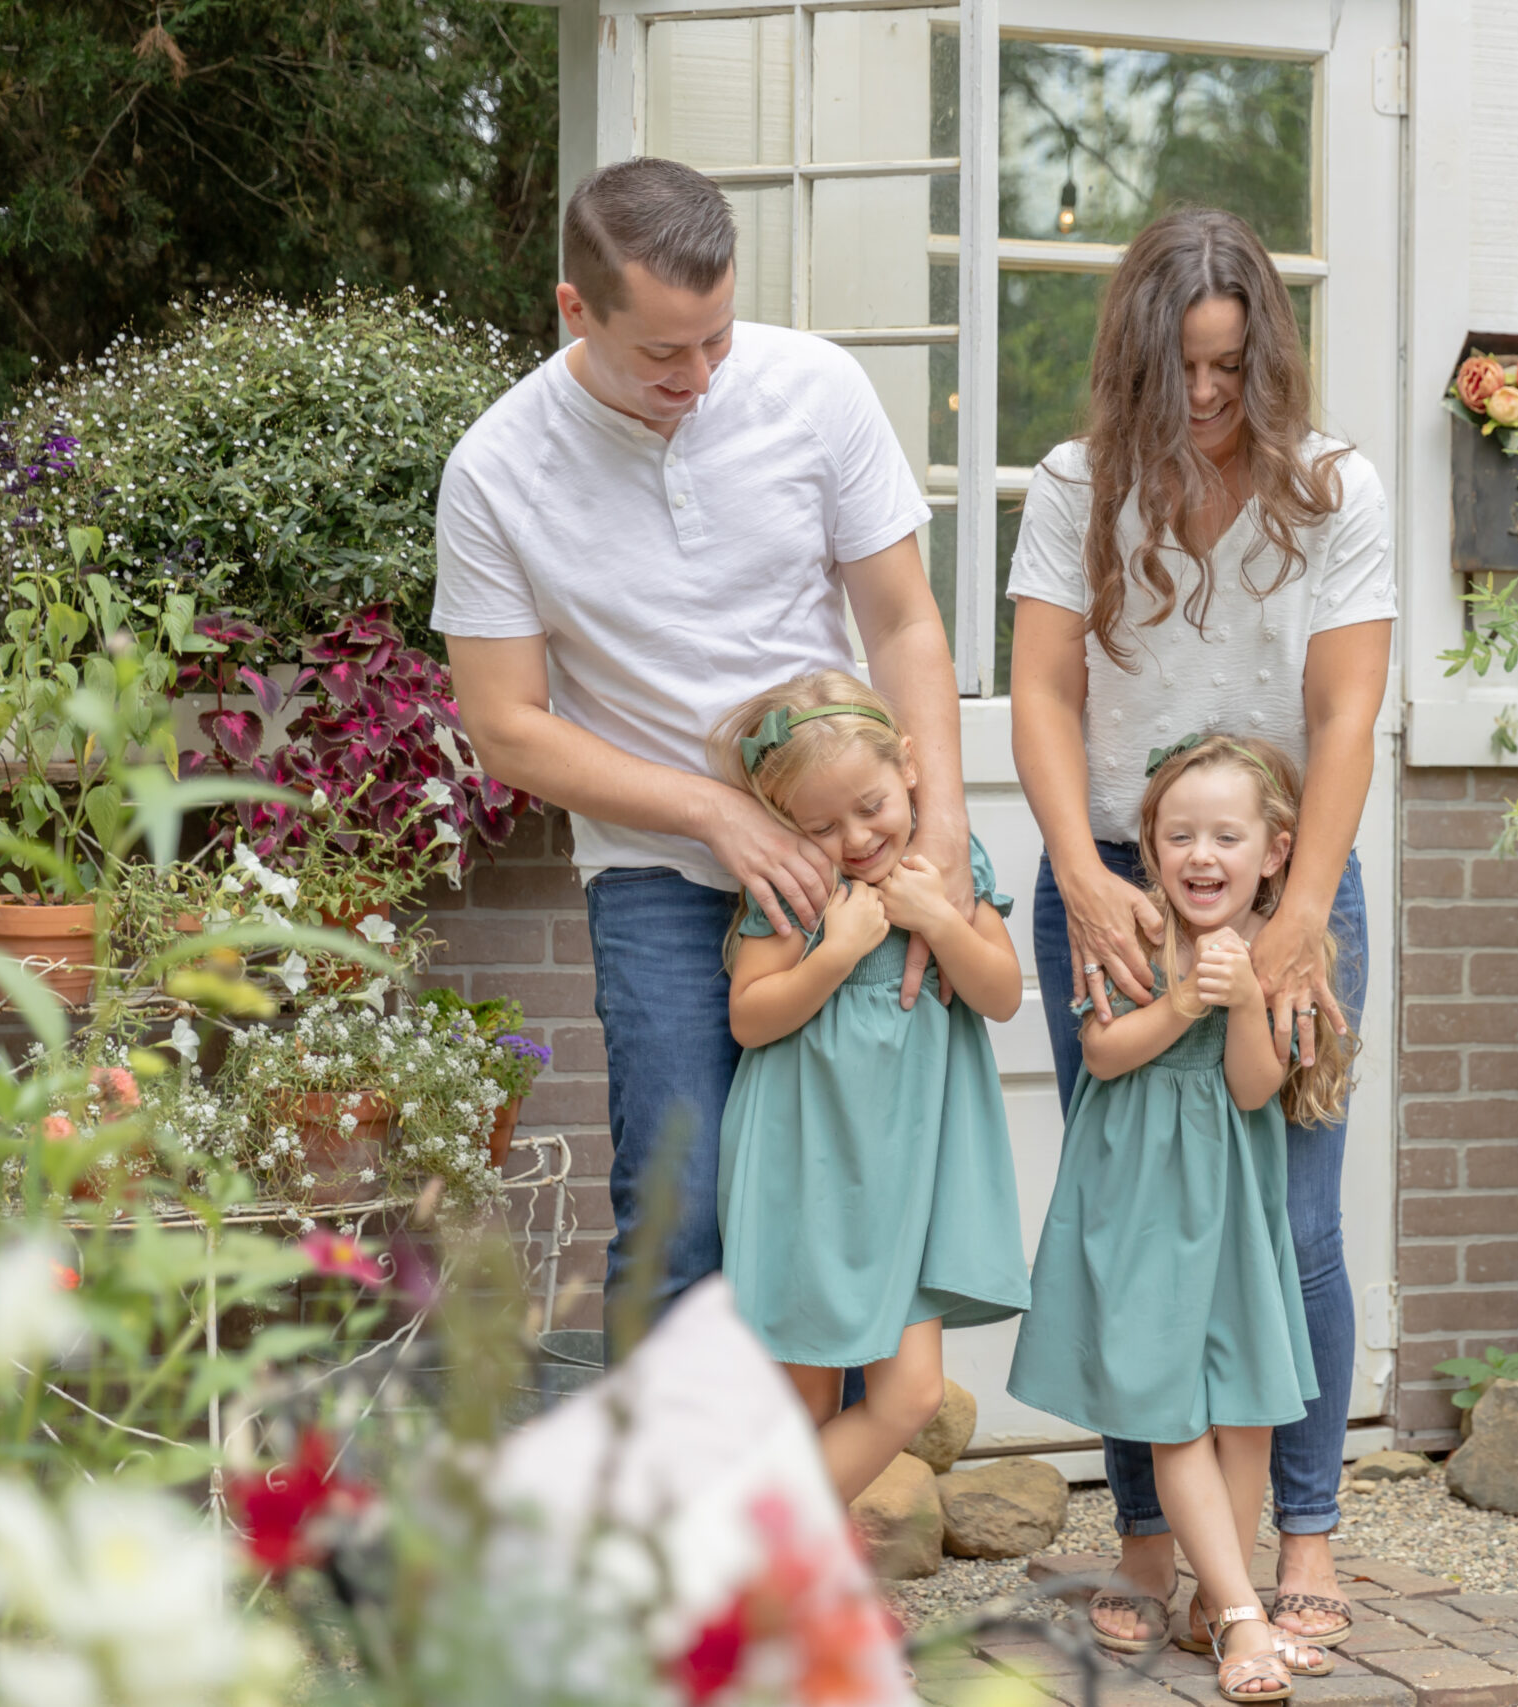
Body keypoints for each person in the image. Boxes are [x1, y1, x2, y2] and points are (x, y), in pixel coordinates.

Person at [434, 158, 971, 1341]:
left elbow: (903, 621)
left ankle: (803, 1507)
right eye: (662, 354)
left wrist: (938, 844)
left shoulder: (816, 390)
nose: (697, 377)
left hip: (851, 868)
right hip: (660, 882)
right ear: (575, 307)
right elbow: (505, 723)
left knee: (842, 1202)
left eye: (716, 340)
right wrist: (716, 812)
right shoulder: (494, 471)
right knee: (681, 1216)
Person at [1008, 206, 1393, 1649]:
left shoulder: (1334, 488)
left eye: (1234, 366)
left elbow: (1347, 708)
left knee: (1293, 1221)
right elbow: (1042, 691)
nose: (1214, 396)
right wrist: (1083, 871)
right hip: (1113, 868)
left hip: (1295, 869)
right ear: (1138, 363)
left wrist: (1300, 911)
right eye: (1187, 370)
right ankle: (1150, 1540)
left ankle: (1304, 1527)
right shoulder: (1074, 483)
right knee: (1138, 1224)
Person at [1008, 736, 1353, 1701]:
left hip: (1233, 1200)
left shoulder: (1280, 957)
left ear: (1274, 852)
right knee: (1173, 1403)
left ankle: (1217, 1594)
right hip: (1143, 1198)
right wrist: (1179, 1003)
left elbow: (1254, 1090)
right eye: (1179, 834)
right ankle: (1244, 1621)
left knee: (1242, 1406)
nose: (1202, 855)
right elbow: (1104, 1054)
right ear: (1149, 848)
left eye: (1226, 836)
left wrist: (1243, 1001)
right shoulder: (1133, 933)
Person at [707, 671, 1026, 1502]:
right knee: (804, 1396)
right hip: (808, 1157)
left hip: (912, 1169)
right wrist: (838, 951)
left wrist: (942, 919)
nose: (853, 837)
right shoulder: (797, 887)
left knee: (912, 1393)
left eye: (871, 805)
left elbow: (999, 994)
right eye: (820, 823)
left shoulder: (946, 867)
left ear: (910, 766)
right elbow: (751, 1014)